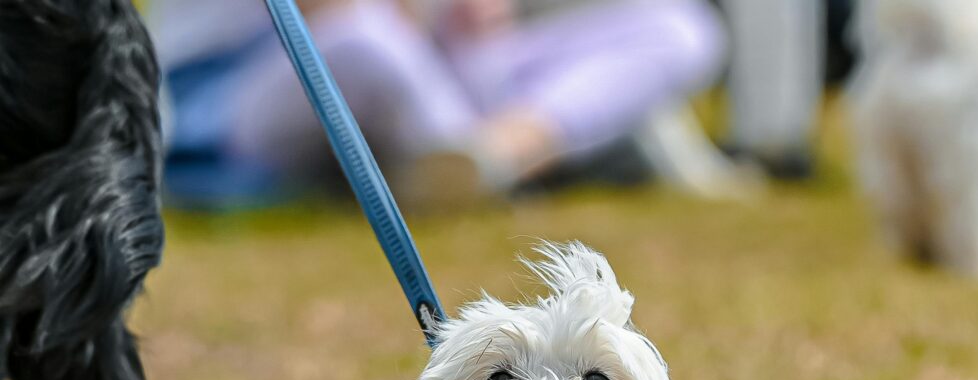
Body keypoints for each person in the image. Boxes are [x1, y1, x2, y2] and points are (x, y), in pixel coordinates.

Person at [150, 0, 728, 206]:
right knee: (366, 37)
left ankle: (499, 155)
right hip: (249, 83)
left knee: (679, 25)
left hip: (448, 73)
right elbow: (333, 11)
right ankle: (477, 163)